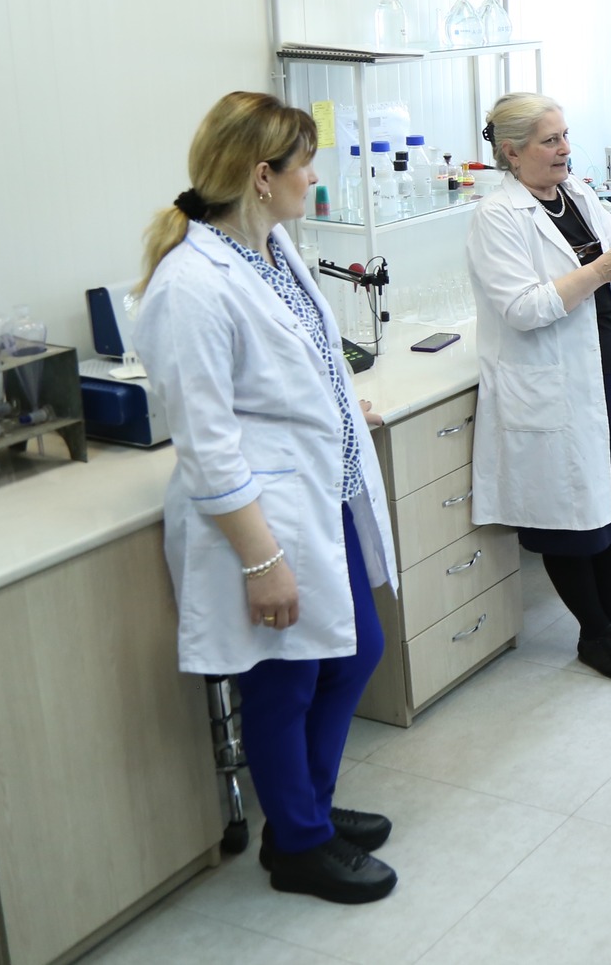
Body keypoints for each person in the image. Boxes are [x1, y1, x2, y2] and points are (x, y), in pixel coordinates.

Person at [134, 91, 401, 904]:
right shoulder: (191, 284)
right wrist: (262, 561)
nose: (313, 178)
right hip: (262, 519)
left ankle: (302, 812)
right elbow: (207, 442)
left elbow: (294, 362)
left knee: (354, 654)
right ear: (261, 176)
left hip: (322, 491)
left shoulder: (272, 247)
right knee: (284, 681)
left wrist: (338, 405)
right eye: (303, 165)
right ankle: (299, 844)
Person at [467, 93, 611, 684]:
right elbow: (521, 308)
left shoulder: (576, 195)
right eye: (550, 140)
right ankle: (594, 633)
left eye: (564, 135)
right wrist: (600, 270)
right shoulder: (497, 217)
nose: (565, 148)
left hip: (606, 366)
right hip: (550, 380)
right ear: (512, 152)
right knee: (566, 516)